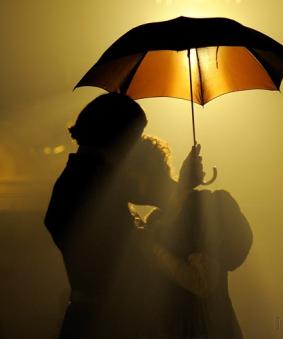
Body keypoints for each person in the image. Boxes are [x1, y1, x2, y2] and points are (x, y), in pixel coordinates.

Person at [126, 135, 253, 339]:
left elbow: (203, 282)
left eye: (127, 179)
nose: (126, 190)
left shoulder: (206, 207)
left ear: (144, 174)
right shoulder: (156, 220)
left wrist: (153, 248)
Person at [44, 93, 148, 339]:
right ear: (117, 138)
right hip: (105, 322)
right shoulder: (91, 184)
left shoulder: (83, 179)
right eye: (135, 137)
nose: (137, 145)